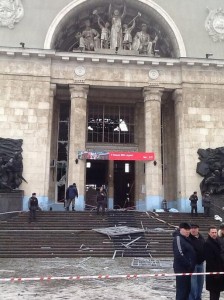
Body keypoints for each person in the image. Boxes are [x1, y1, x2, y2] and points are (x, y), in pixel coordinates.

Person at [173, 222, 196, 300]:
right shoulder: (178, 238)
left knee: (187, 290)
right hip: (182, 269)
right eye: (186, 229)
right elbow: (179, 253)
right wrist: (188, 264)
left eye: (189, 229)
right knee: (182, 292)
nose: (188, 231)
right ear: (181, 229)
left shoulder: (187, 239)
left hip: (188, 270)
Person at [204, 226, 224, 300]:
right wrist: (215, 272)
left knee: (217, 291)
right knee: (213, 293)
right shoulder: (207, 243)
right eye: (212, 232)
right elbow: (209, 260)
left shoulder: (218, 241)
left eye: (215, 232)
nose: (214, 234)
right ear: (209, 233)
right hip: (213, 272)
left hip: (219, 270)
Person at [188, 224, 205, 300]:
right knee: (193, 284)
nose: (193, 230)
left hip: (201, 263)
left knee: (200, 283)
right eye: (192, 228)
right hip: (192, 264)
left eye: (195, 228)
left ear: (198, 229)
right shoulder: (188, 238)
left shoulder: (201, 238)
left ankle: (198, 297)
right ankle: (192, 298)